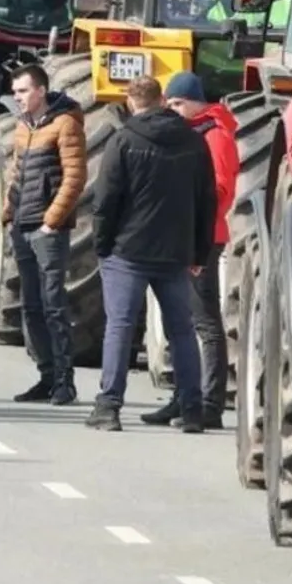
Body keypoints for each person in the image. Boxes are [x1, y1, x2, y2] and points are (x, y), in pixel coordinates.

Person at [87, 76, 215, 432]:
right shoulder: (194, 142)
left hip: (127, 251)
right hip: (175, 252)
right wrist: (199, 252)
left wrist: (102, 245)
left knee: (121, 327)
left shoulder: (124, 140)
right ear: (162, 100)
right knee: (182, 330)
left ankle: (109, 407)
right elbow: (207, 201)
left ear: (131, 103)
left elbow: (105, 201)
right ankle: (191, 409)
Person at [141, 71, 237, 430]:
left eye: (180, 103)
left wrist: (196, 236)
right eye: (171, 103)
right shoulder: (190, 134)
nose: (174, 109)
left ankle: (210, 403)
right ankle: (182, 398)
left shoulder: (215, 135)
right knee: (179, 322)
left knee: (204, 321)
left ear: (197, 101)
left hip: (204, 238)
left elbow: (221, 191)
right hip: (181, 237)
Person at [0, 62, 85, 407]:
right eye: (15, 92)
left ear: (40, 90)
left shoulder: (65, 124)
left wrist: (52, 220)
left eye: (22, 91)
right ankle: (46, 375)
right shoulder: (23, 127)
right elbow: (16, 171)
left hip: (48, 230)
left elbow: (75, 177)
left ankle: (65, 381)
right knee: (31, 307)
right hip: (22, 226)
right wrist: (8, 212)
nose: (17, 98)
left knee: (54, 306)